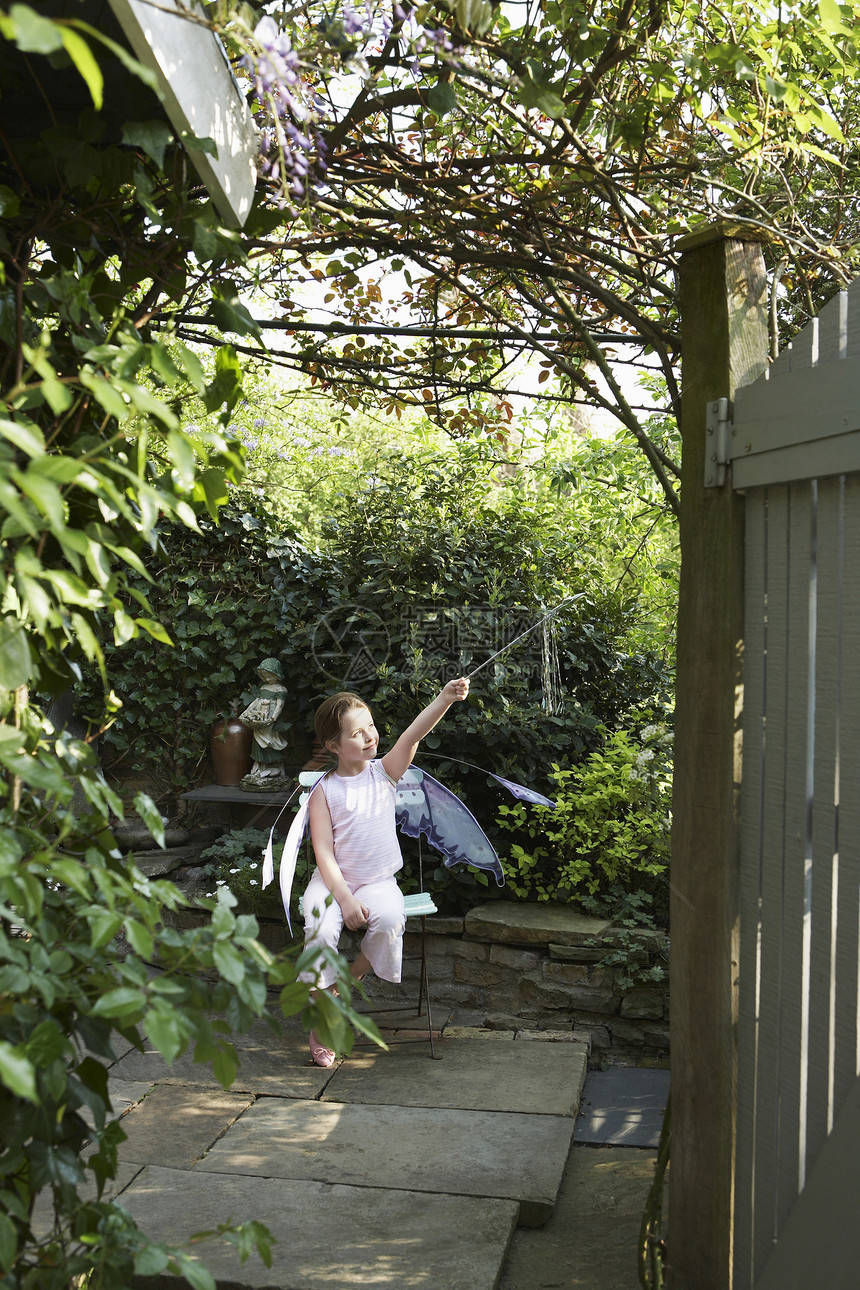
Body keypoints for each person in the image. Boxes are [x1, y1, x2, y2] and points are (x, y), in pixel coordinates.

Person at [301, 677, 470, 1067]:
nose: (369, 737)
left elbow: (412, 736)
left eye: (371, 727)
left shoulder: (384, 774)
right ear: (333, 746)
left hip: (378, 881)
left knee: (391, 919)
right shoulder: (324, 790)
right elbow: (323, 851)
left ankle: (340, 985)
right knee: (321, 926)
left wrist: (445, 698)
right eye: (357, 734)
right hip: (332, 882)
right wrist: (342, 899)